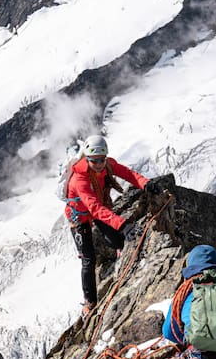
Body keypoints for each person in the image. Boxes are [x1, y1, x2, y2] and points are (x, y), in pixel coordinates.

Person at [65, 134, 160, 313]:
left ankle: (118, 250)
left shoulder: (108, 165)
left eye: (102, 159)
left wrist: (145, 184)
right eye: (94, 160)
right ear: (87, 158)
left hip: (97, 208)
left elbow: (129, 174)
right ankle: (89, 303)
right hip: (80, 217)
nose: (99, 164)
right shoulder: (80, 179)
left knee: (117, 240)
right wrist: (123, 225)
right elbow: (94, 209)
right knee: (88, 259)